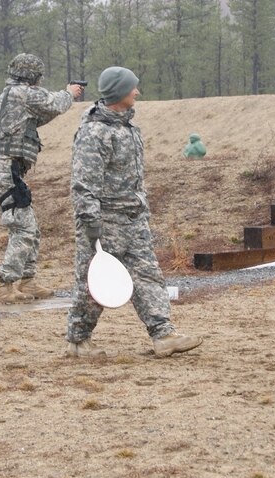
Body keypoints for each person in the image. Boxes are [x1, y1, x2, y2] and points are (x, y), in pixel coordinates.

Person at [66, 66, 203, 358]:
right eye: (132, 88)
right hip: (104, 222)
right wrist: (92, 225)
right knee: (93, 284)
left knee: (148, 275)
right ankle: (78, 341)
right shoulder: (94, 132)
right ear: (119, 92)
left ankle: (163, 334)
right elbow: (84, 184)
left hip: (133, 218)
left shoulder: (127, 127)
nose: (137, 92)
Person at [0, 53, 84, 304]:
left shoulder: (12, 95)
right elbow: (53, 104)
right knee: (24, 227)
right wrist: (70, 93)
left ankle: (27, 280)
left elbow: (39, 117)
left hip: (9, 168)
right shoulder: (21, 93)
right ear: (32, 75)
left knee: (31, 227)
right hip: (7, 168)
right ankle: (5, 284)